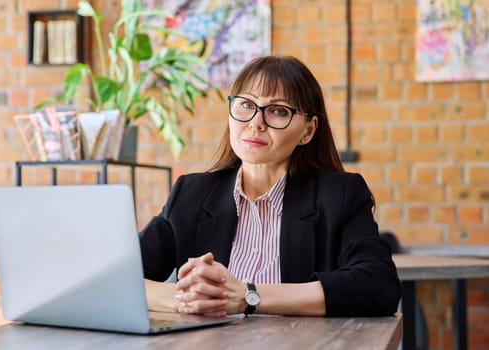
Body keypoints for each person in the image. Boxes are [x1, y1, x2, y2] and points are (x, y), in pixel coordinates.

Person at [139, 54, 402, 318]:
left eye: (279, 111)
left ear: (308, 131)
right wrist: (187, 299)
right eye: (245, 105)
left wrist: (248, 296)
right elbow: (117, 280)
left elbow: (378, 286)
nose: (255, 123)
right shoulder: (191, 194)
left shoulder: (340, 195)